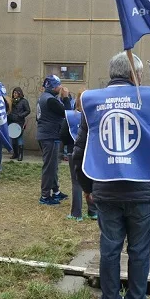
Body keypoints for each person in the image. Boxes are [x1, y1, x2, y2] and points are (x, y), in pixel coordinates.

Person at [73, 52, 150, 299]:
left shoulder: (93, 102)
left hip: (106, 191)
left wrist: (88, 188)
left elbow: (79, 153)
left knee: (109, 250)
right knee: (139, 252)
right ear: (135, 74)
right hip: (142, 191)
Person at [60, 89, 96, 221]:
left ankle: (76, 213)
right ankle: (93, 211)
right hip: (90, 152)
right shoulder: (94, 115)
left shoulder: (71, 116)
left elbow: (63, 134)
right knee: (91, 180)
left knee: (76, 182)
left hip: (73, 151)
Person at [36, 75, 71, 205]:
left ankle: (55, 191)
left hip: (47, 134)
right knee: (49, 167)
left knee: (54, 166)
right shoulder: (50, 100)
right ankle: (45, 196)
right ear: (52, 86)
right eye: (58, 85)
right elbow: (67, 113)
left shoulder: (44, 97)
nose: (60, 87)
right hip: (49, 136)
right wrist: (66, 97)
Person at [8, 87, 30, 161]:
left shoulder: (24, 101)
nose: (15, 94)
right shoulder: (12, 101)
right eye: (14, 93)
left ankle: (20, 155)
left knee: (19, 138)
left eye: (16, 93)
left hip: (19, 122)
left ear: (19, 93)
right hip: (12, 121)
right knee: (13, 138)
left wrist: (20, 115)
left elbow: (28, 110)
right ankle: (15, 153)